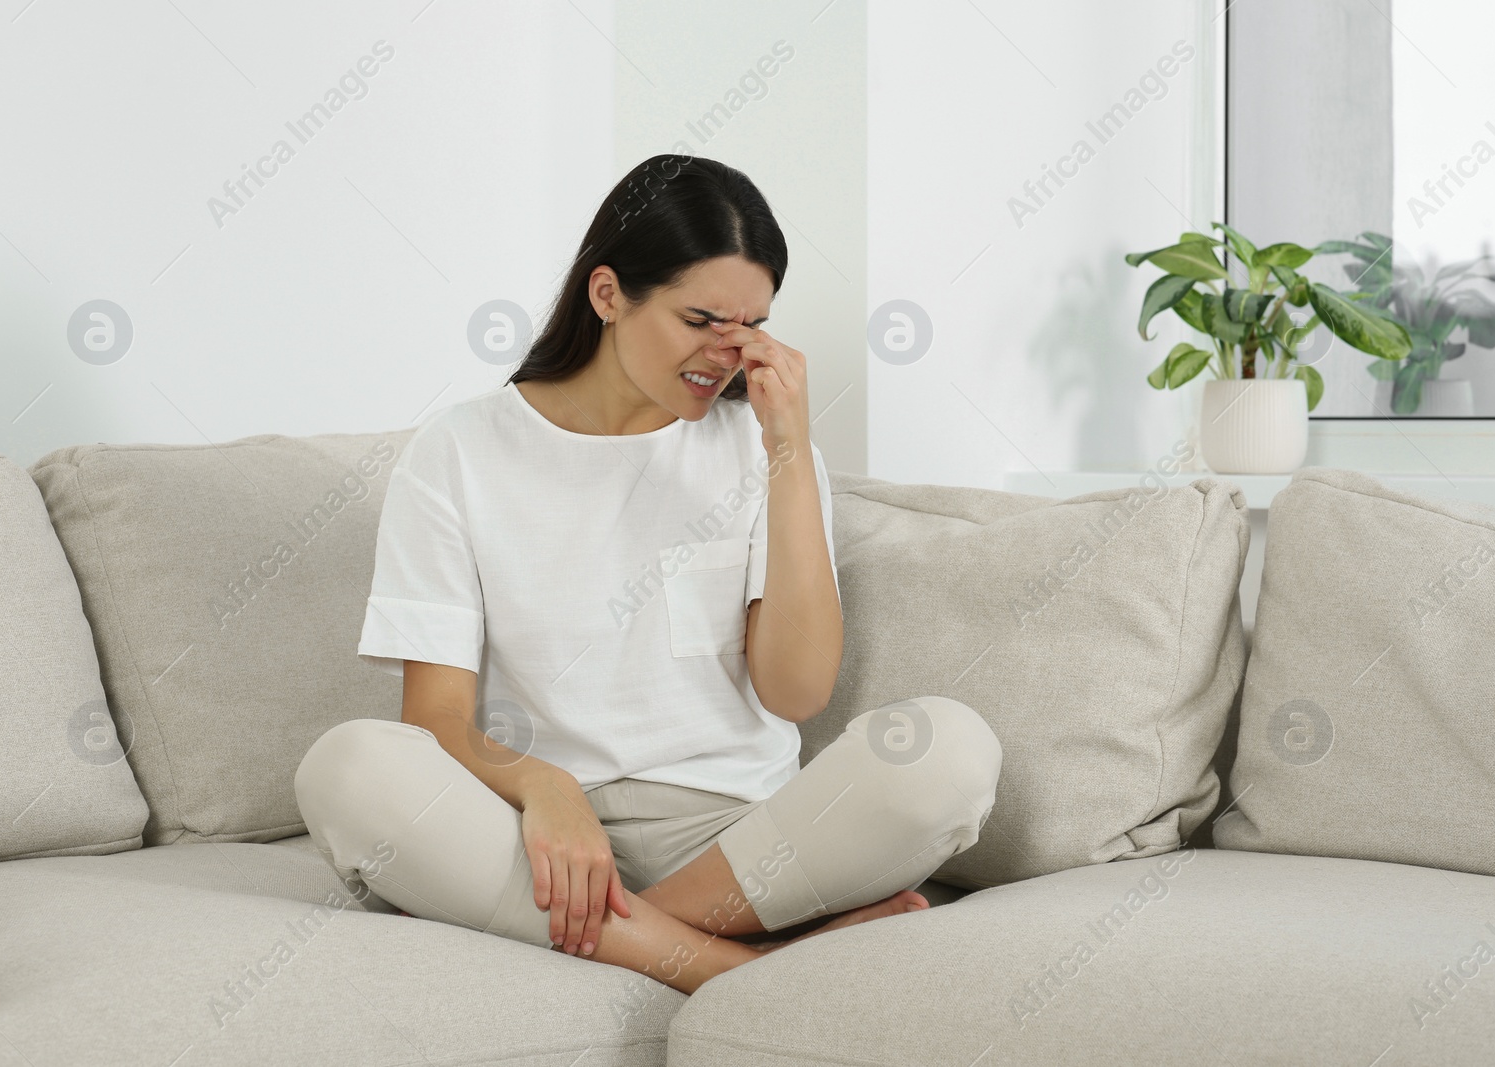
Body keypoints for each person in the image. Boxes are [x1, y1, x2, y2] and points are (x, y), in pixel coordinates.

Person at [294, 153, 1002, 996]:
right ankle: (746, 966)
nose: (727, 353)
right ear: (607, 296)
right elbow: (436, 718)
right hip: (538, 833)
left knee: (949, 751)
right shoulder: (458, 452)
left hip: (736, 834)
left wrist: (786, 451)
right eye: (701, 319)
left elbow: (800, 691)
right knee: (346, 768)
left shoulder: (763, 450)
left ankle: (597, 931)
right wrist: (542, 785)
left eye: (750, 325)